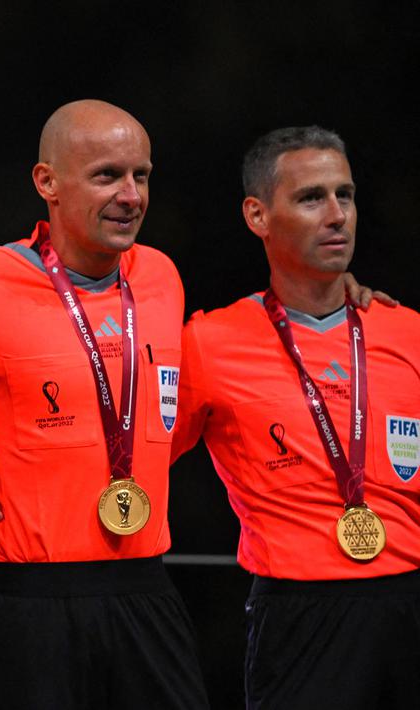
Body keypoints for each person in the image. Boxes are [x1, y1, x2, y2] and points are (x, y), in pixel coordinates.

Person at [0, 99, 210, 709]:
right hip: (27, 604)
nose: (131, 195)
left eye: (142, 175)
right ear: (46, 183)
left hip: (146, 590)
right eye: (107, 175)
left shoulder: (162, 278)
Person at [166, 126, 420, 708]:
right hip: (299, 614)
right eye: (311, 198)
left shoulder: (405, 330)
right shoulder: (211, 343)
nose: (337, 215)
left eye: (346, 195)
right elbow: (135, 458)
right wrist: (2, 496)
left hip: (410, 604)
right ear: (257, 215)